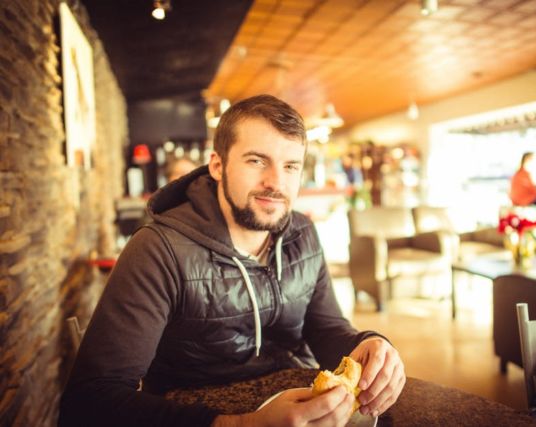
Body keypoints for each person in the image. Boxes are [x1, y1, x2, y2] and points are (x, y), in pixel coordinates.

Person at [59, 94, 405, 427]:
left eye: (290, 166)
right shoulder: (158, 249)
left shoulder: (302, 234)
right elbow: (90, 401)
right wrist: (243, 424)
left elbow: (327, 328)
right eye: (257, 161)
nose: (275, 182)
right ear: (217, 166)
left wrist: (369, 344)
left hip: (298, 401)